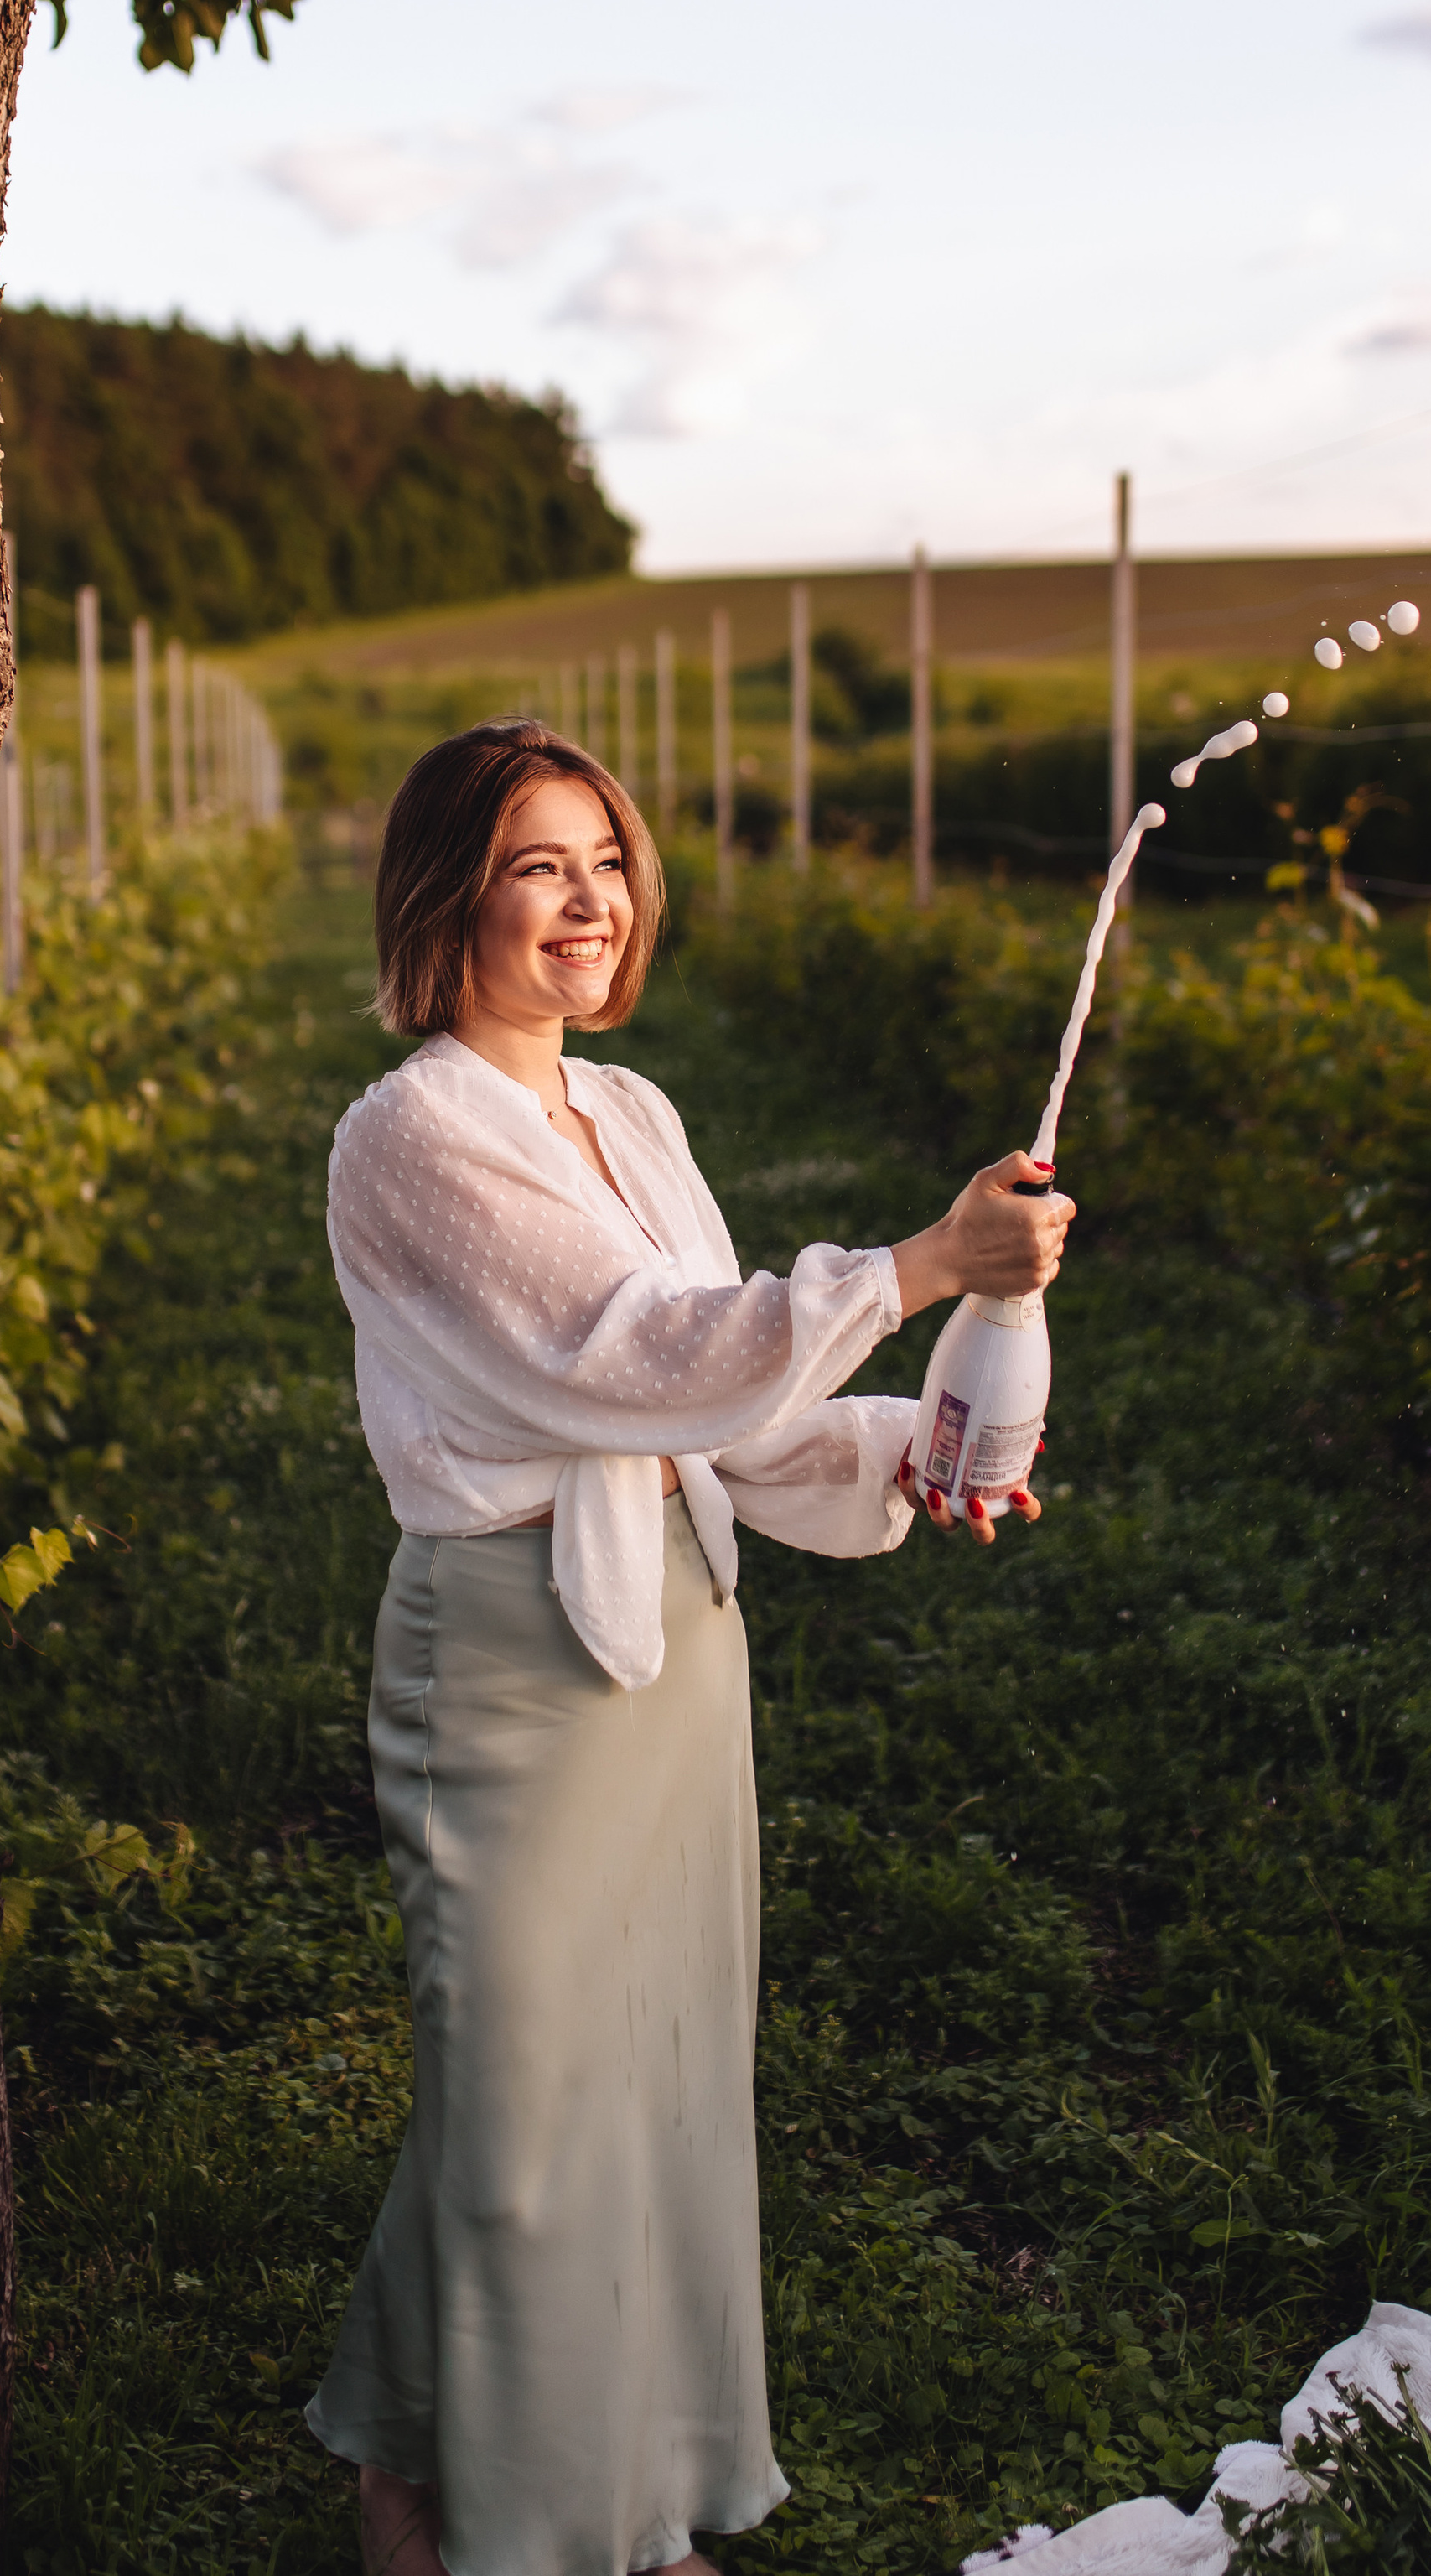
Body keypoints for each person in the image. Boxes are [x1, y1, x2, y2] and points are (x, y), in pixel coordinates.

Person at [306, 719, 1071, 2576]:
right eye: (533, 866)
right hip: (512, 1659)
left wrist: (916, 1450)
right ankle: (539, 2532)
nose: (585, 901)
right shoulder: (408, 1134)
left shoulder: (628, 1113)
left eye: (604, 859)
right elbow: (643, 1355)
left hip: (677, 1638)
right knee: (518, 2116)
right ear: (445, 898)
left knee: (626, 2092)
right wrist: (912, 1270)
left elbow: (715, 1412)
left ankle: (456, 2480)